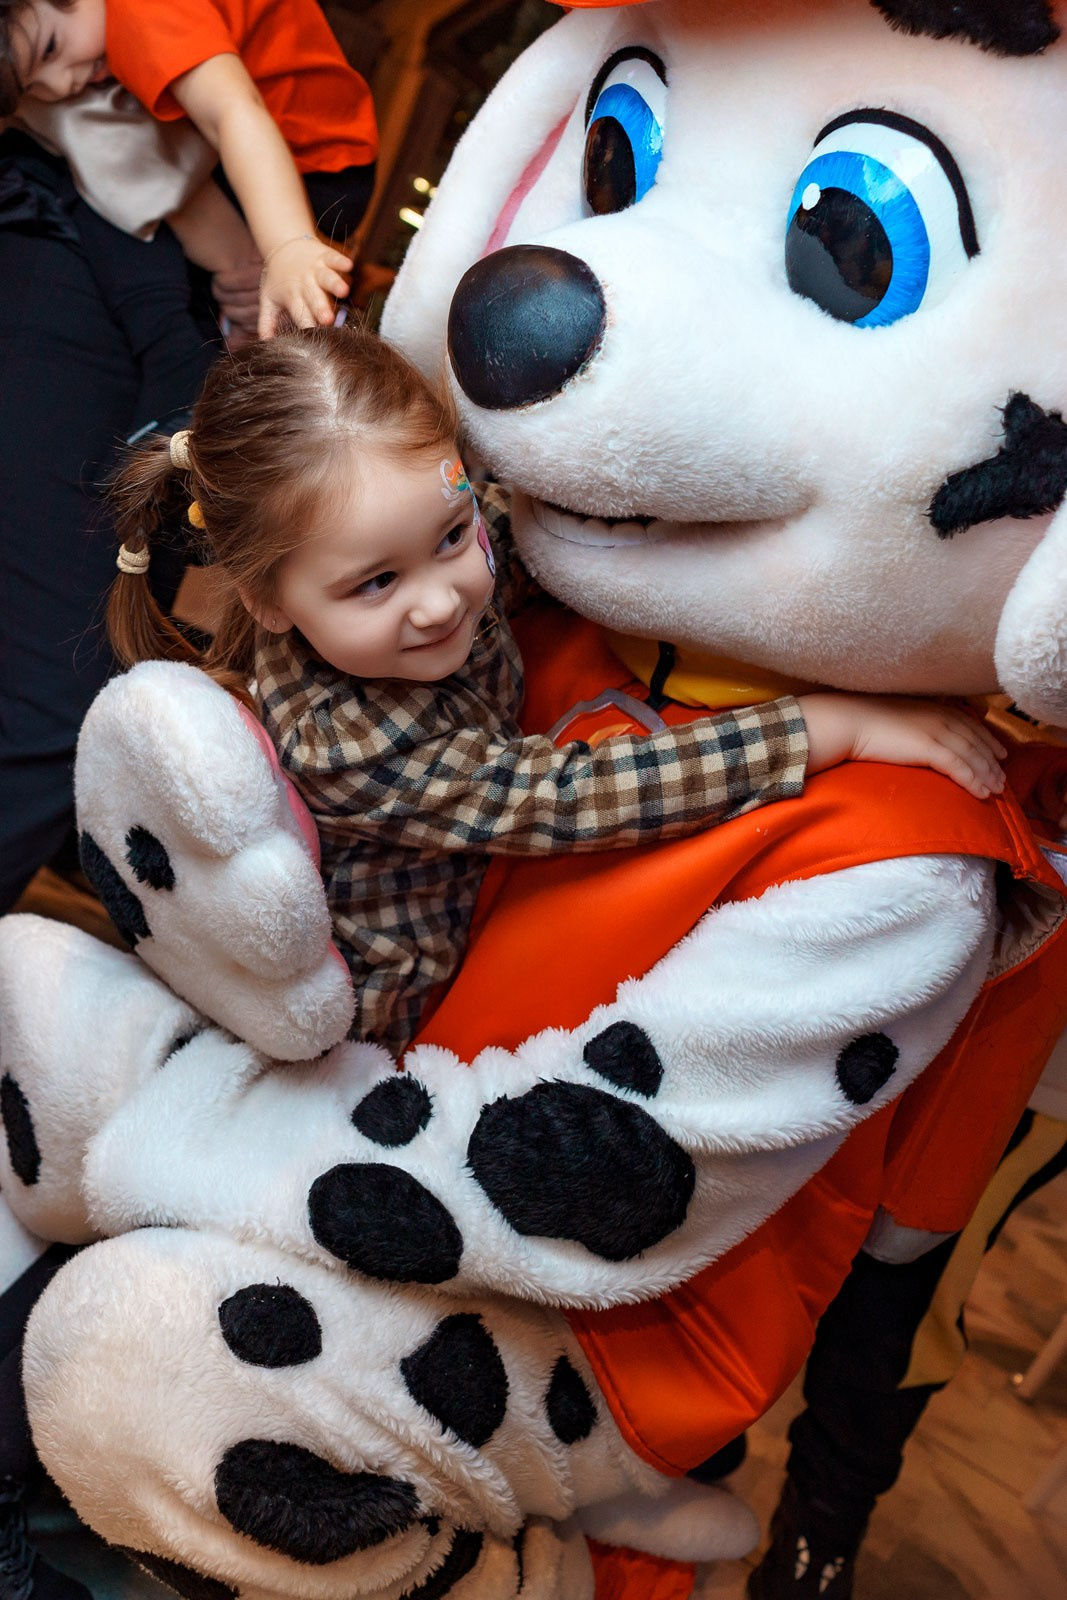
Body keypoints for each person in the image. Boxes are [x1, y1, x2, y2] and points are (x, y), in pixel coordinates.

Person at [105, 322, 1008, 1055]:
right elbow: (567, 797)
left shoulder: (456, 550)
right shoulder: (352, 741)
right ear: (267, 602)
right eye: (374, 583)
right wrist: (823, 727)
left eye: (450, 536)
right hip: (375, 1037)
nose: (440, 600)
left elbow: (536, 534)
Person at [0, 0, 379, 337]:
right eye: (34, 87)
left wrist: (289, 246)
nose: (62, 83)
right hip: (298, 158)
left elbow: (233, 113)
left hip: (316, 165)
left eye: (50, 47)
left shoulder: (143, 13)